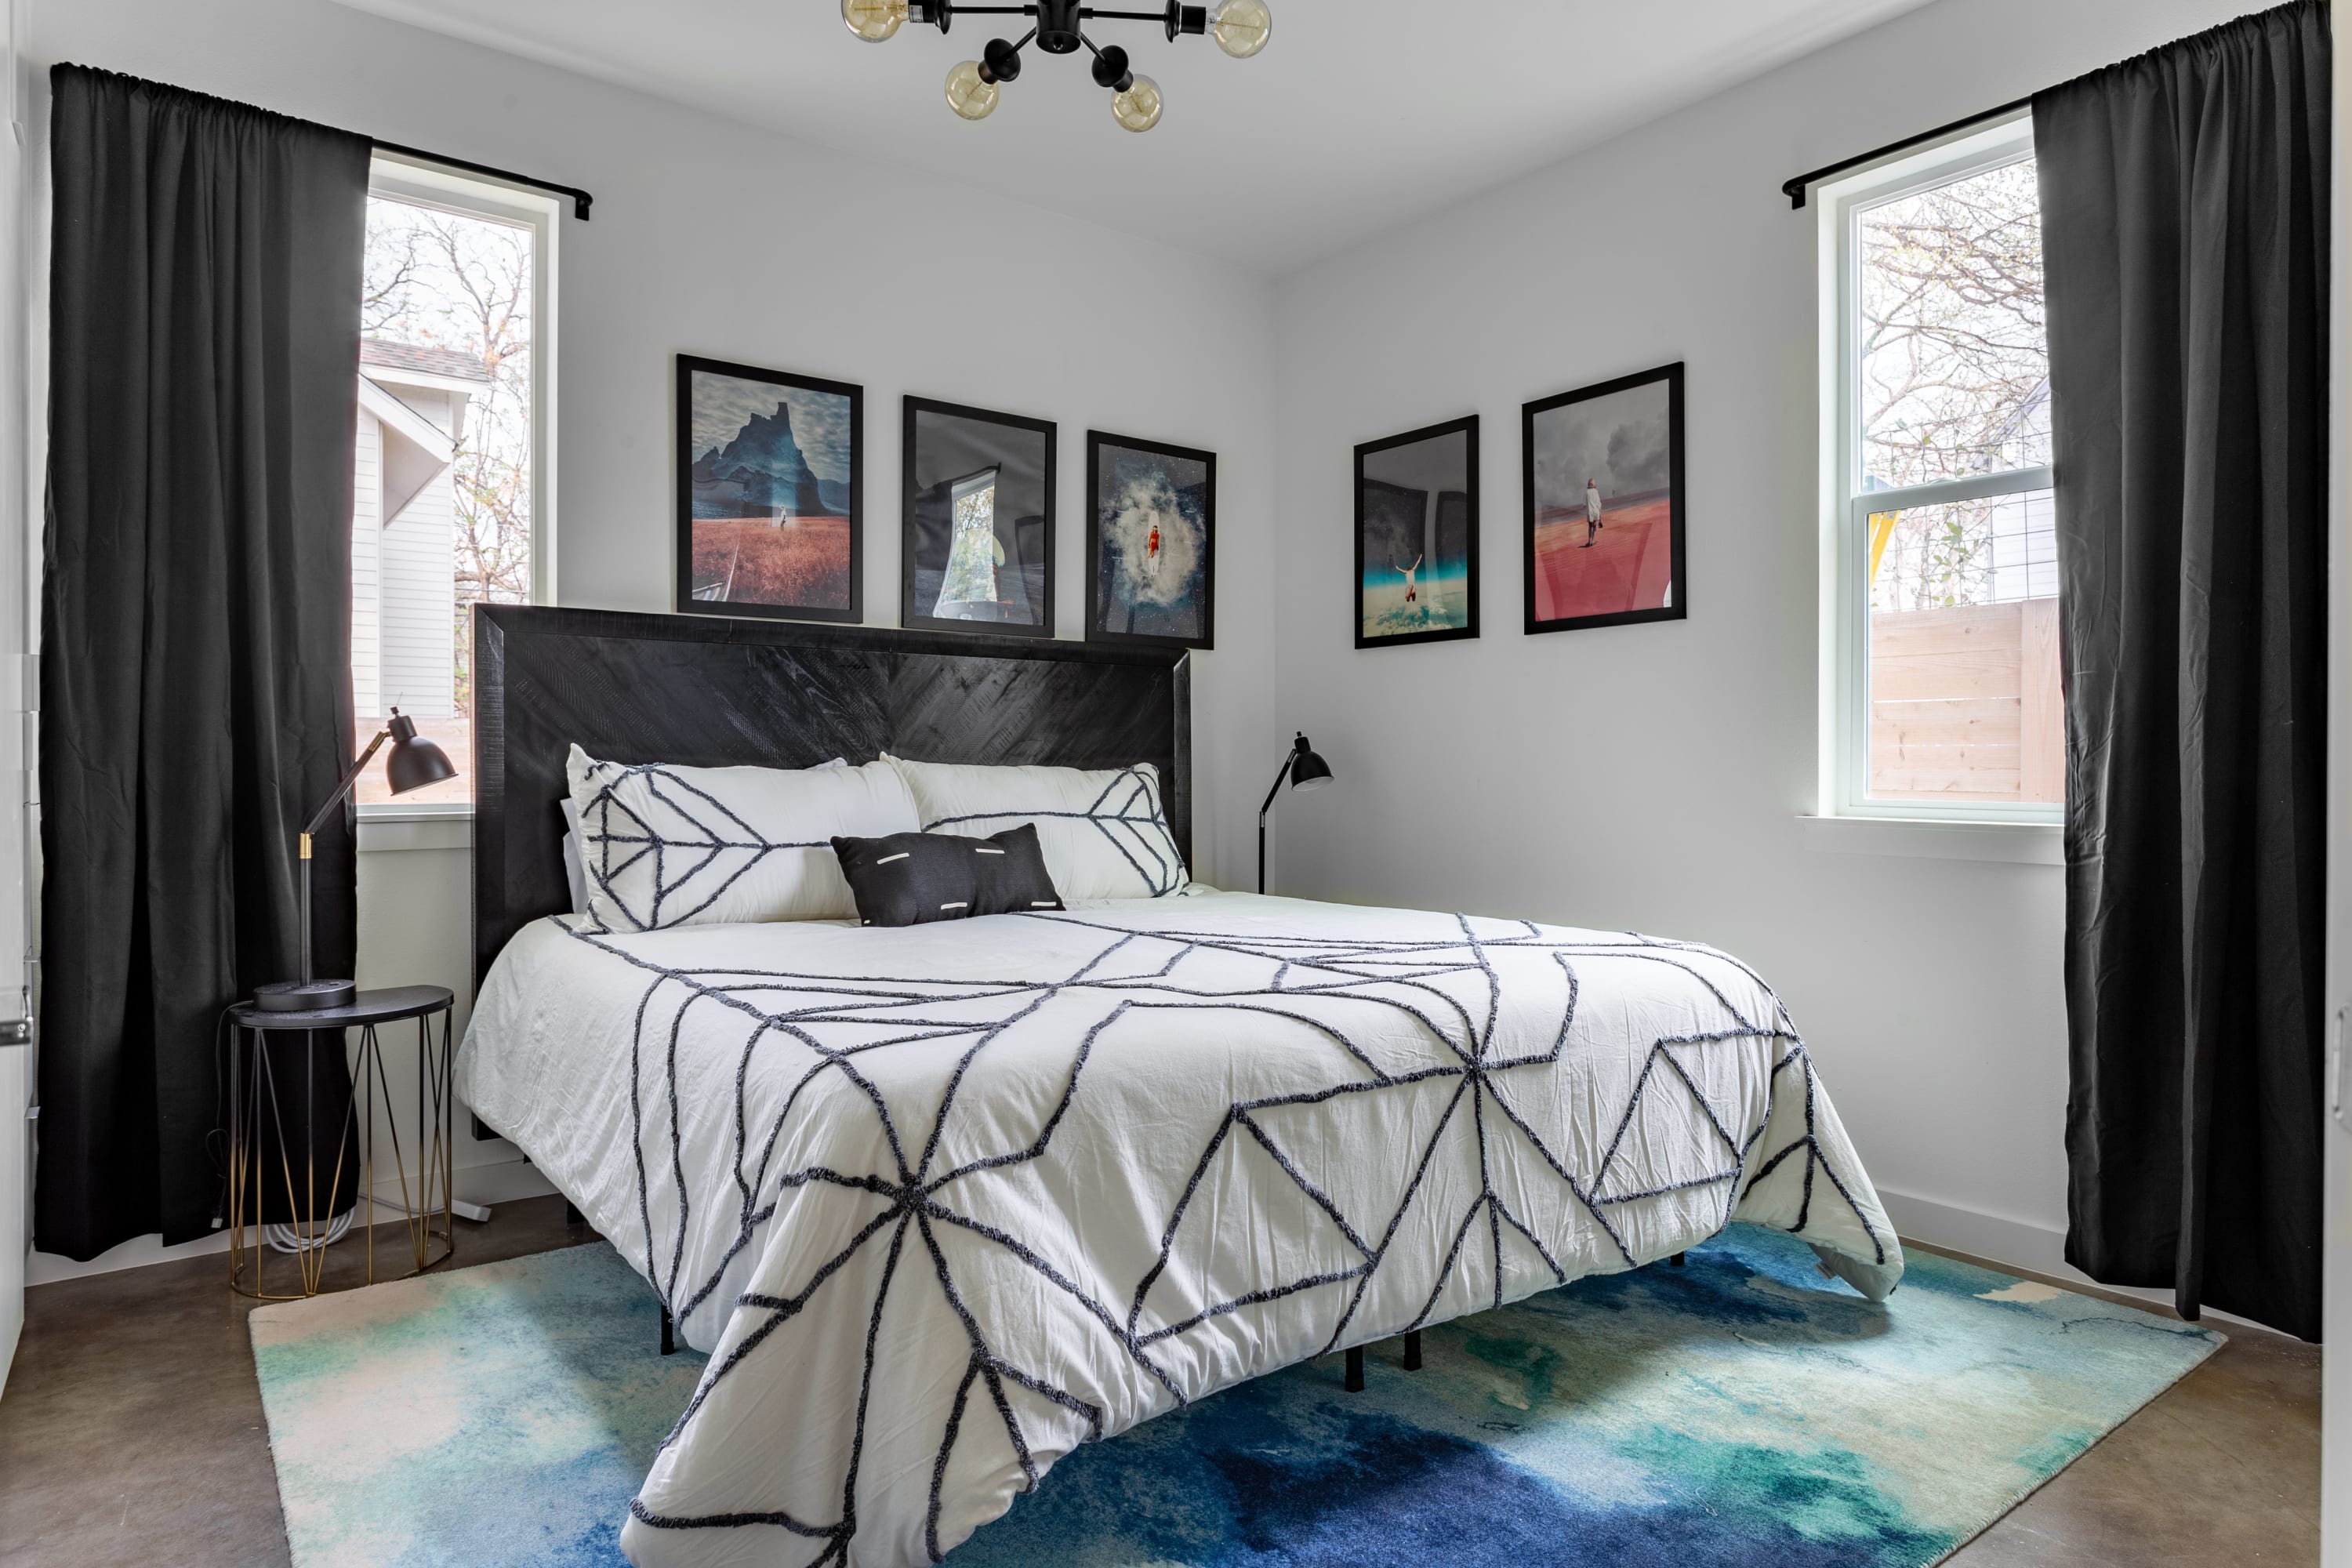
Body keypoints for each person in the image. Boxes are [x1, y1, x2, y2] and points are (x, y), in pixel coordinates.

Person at [1584, 477, 1603, 547]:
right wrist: (1600, 519)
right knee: (1594, 526)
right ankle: (1593, 540)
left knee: (1590, 526)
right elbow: (1599, 504)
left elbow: (1584, 504)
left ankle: (1589, 541)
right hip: (1596, 512)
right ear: (1594, 485)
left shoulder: (1586, 493)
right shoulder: (1596, 492)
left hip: (1590, 512)